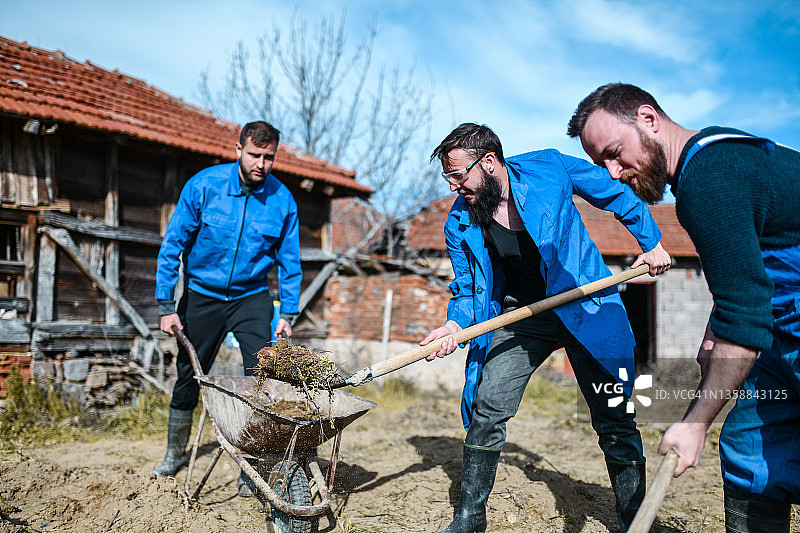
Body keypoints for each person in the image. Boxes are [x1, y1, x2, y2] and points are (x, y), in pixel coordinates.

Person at [568, 83, 800, 532]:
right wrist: (716, 326)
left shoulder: (709, 177)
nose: (613, 173)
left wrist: (694, 424)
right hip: (782, 328)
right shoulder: (710, 160)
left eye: (614, 153)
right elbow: (748, 272)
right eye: (601, 164)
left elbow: (745, 320)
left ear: (649, 119)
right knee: (750, 451)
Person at [421, 123, 671, 533]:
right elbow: (467, 289)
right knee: (488, 407)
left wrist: (651, 242)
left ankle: (635, 519)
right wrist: (453, 324)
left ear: (489, 162)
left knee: (614, 415)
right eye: (448, 177)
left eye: (458, 174)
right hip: (522, 315)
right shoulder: (460, 221)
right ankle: (470, 518)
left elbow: (614, 193)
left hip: (584, 301)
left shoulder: (550, 168)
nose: (453, 186)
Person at [153, 121, 302, 497]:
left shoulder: (282, 200)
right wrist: (166, 304)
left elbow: (290, 261)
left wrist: (288, 314)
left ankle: (251, 464)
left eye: (269, 157)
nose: (261, 164)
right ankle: (174, 453)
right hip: (201, 295)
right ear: (238, 149)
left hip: (251, 297)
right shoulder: (204, 186)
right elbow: (172, 245)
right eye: (254, 155)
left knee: (261, 379)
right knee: (189, 375)